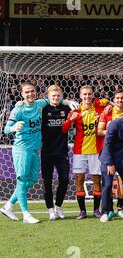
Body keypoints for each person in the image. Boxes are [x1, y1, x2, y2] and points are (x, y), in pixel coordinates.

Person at [0, 83, 77, 224]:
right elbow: (6, 129)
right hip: (22, 149)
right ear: (22, 94)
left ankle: (9, 206)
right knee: (22, 181)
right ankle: (25, 214)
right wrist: (13, 128)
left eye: (32, 91)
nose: (30, 94)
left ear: (36, 92)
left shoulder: (40, 104)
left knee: (32, 180)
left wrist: (69, 101)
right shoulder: (18, 110)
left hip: (36, 149)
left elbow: (54, 98)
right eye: (27, 92)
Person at [62, 85, 109, 220]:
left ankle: (96, 210)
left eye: (89, 94)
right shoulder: (75, 111)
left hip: (96, 151)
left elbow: (108, 102)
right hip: (79, 151)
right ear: (80, 96)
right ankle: (82, 211)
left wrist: (105, 106)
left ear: (93, 95)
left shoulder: (99, 109)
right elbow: (64, 129)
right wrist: (71, 119)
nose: (87, 97)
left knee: (96, 180)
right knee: (79, 179)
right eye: (85, 94)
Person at [41, 85, 71, 221]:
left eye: (58, 95)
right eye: (53, 96)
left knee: (64, 179)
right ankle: (50, 210)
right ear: (48, 96)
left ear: (61, 96)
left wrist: (68, 102)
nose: (56, 98)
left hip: (62, 151)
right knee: (47, 182)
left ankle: (58, 207)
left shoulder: (66, 108)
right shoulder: (43, 110)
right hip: (46, 152)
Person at [97, 89, 123, 218]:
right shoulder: (107, 113)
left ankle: (120, 208)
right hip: (108, 153)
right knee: (107, 183)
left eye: (122, 98)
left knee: (122, 181)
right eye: (117, 98)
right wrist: (109, 130)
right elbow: (99, 132)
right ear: (113, 100)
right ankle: (107, 210)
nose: (120, 100)